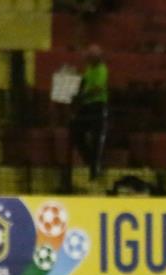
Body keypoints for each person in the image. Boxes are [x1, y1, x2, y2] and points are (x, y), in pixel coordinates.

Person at [69, 44, 108, 180]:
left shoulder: (102, 70)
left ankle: (94, 168)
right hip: (86, 106)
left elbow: (97, 88)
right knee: (76, 132)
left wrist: (81, 96)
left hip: (97, 106)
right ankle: (90, 161)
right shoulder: (89, 69)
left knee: (97, 139)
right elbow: (84, 82)